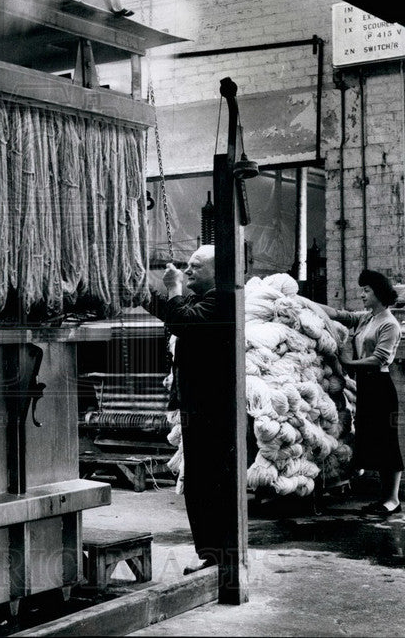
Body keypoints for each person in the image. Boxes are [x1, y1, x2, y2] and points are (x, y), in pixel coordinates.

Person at [145, 244, 225, 573]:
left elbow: (185, 324)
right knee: (198, 481)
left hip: (212, 409)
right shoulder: (201, 300)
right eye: (187, 266)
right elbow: (174, 314)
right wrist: (145, 293)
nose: (188, 271)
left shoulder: (222, 300)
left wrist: (174, 287)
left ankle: (217, 554)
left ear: (218, 272)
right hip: (196, 406)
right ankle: (209, 552)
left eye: (196, 267)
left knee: (209, 481)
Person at [306, 269, 404, 517]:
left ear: (379, 293)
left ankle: (392, 500)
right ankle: (383, 498)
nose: (362, 294)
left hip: (381, 387)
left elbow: (379, 358)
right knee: (376, 442)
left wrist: (348, 365)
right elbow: (338, 314)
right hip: (367, 388)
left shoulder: (389, 324)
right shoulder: (367, 319)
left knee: (388, 442)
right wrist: (304, 302)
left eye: (366, 290)